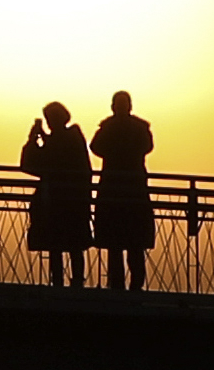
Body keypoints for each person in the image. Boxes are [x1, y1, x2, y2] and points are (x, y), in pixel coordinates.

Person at [19, 101, 93, 287]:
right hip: (73, 200)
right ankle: (75, 283)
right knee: (72, 245)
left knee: (58, 245)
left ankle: (60, 283)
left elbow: (35, 163)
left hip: (58, 200)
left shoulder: (64, 139)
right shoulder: (73, 138)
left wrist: (33, 140)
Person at [90, 90, 155, 291]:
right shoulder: (140, 127)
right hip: (135, 188)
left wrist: (114, 152)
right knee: (135, 244)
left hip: (112, 188)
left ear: (113, 106)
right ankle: (136, 287)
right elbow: (147, 146)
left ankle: (117, 287)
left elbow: (95, 147)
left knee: (115, 244)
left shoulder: (107, 127)